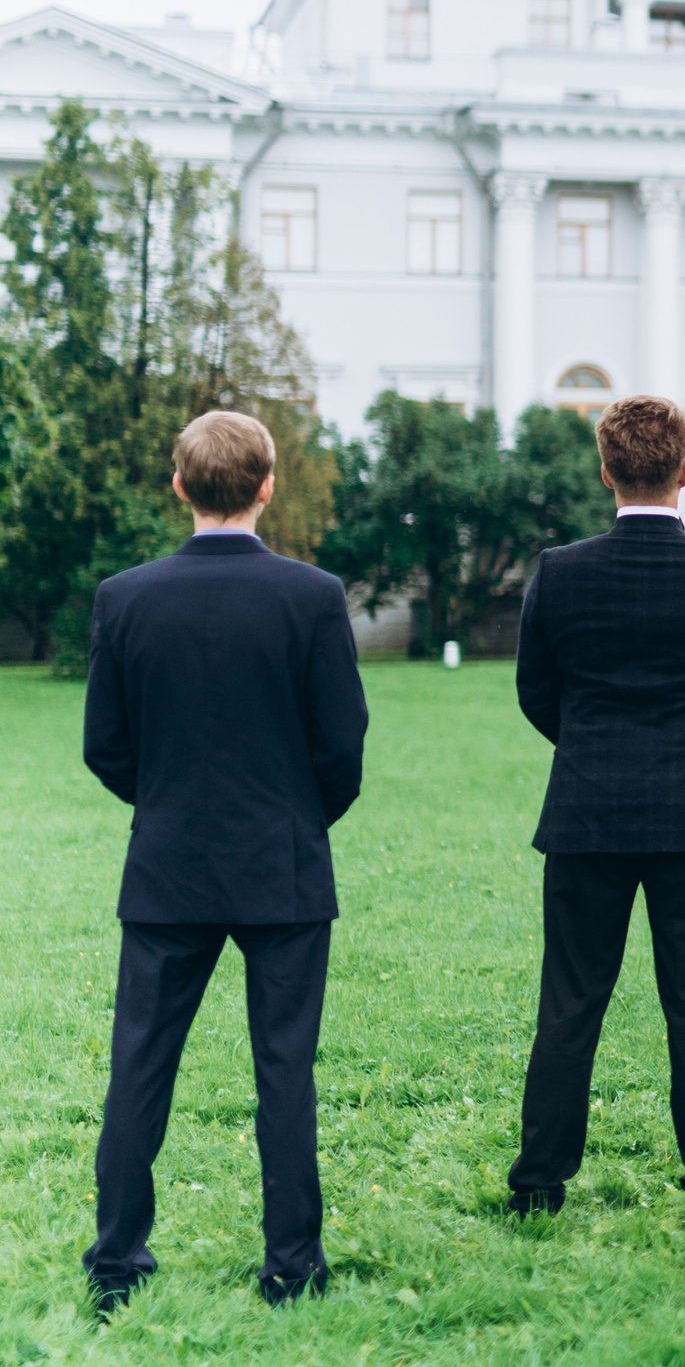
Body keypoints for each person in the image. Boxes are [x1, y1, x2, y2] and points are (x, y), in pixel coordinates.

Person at [80, 411, 368, 1314]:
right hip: (283, 864)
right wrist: (297, 819)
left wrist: (168, 805)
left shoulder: (125, 598)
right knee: (285, 1070)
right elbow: (342, 745)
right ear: (267, 486)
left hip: (169, 865)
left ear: (180, 487)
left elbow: (105, 745)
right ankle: (294, 1266)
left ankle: (115, 1263)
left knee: (139, 1065)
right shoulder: (313, 596)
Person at [506, 395, 685, 1230]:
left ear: (606, 473)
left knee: (570, 1003)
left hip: (587, 813)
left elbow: (536, 691)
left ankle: (539, 1187)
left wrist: (591, 751)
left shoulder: (561, 571)